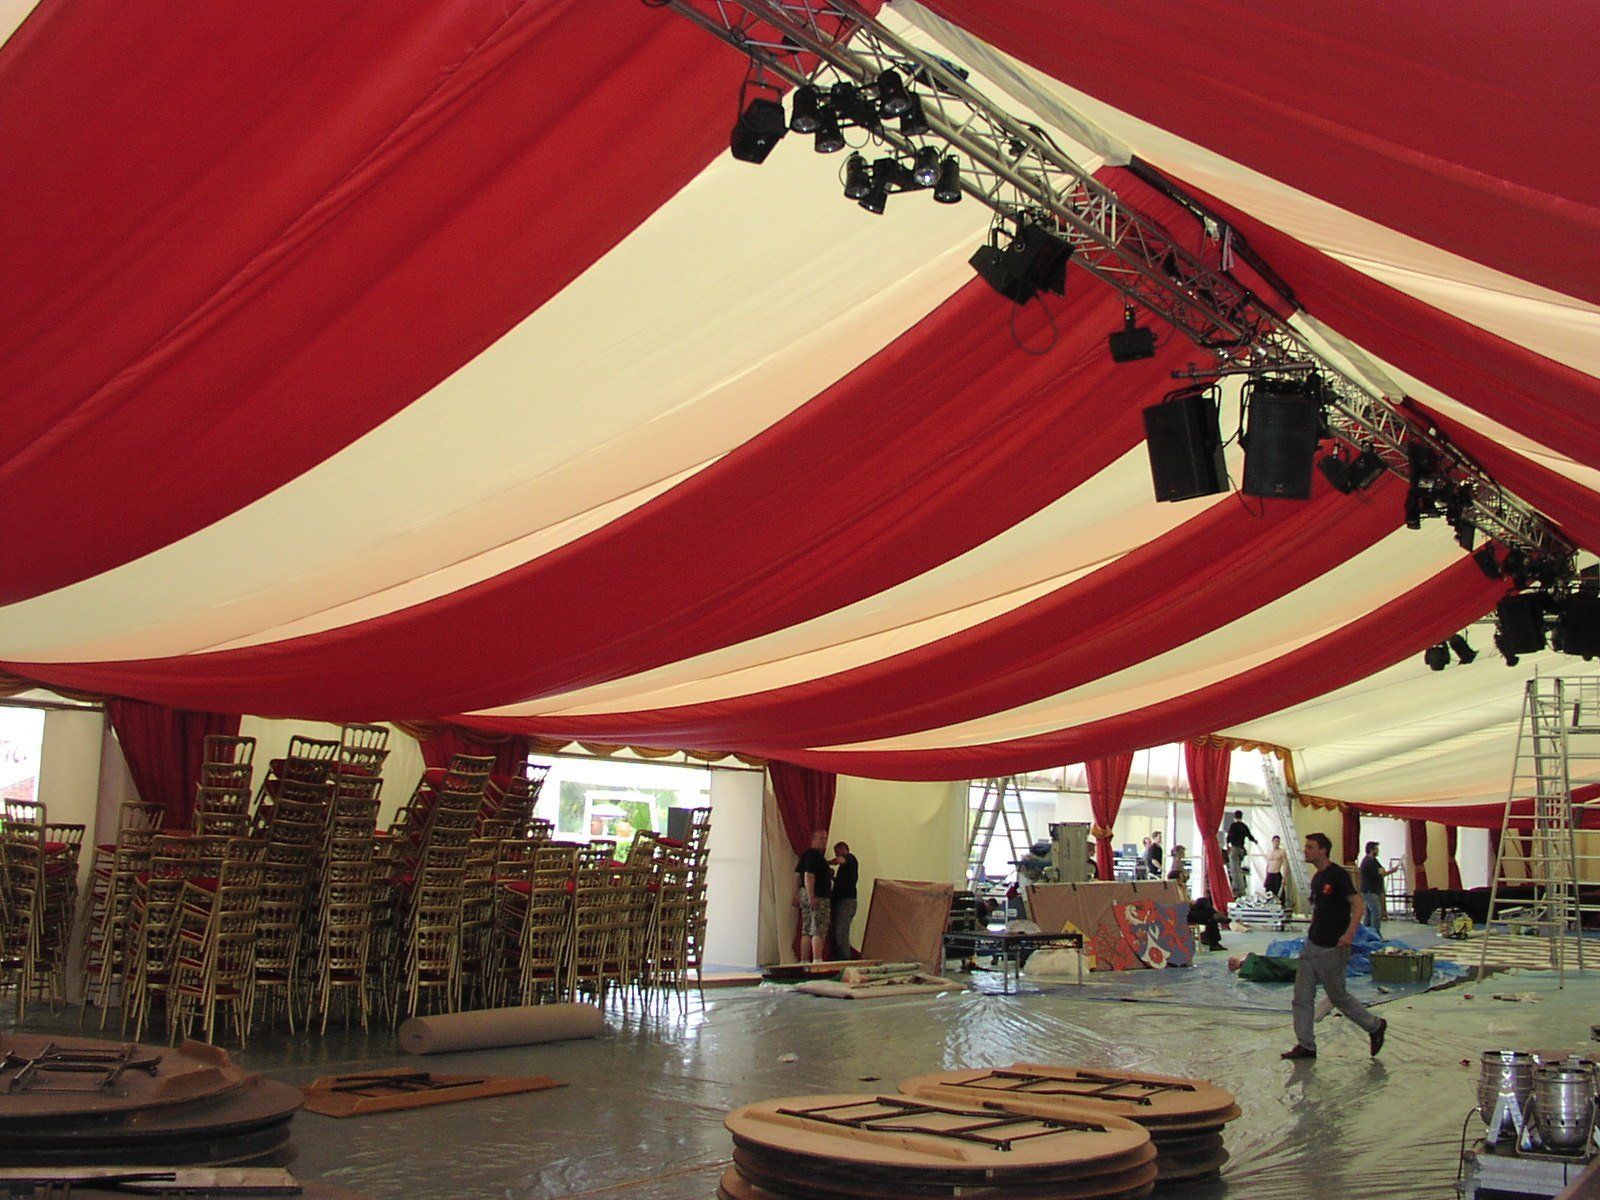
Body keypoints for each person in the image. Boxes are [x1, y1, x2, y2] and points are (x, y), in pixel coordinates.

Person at [1282, 832, 1386, 1060]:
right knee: (1302, 996)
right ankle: (1306, 1045)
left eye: (1310, 847)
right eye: (1305, 846)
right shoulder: (1318, 878)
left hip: (1333, 947)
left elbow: (1358, 906)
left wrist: (1349, 935)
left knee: (1338, 996)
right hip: (1312, 944)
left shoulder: (1337, 875)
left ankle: (1374, 1026)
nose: (1305, 851)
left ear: (1323, 850)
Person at [1167, 844, 1224, 950]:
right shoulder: (1176, 888)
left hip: (1188, 908)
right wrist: (1190, 902)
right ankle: (1214, 920)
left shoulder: (1181, 887)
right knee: (1208, 913)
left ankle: (1213, 916)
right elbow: (1183, 903)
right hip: (1185, 912)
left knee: (1204, 902)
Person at [794, 829, 833, 963]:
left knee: (806, 928)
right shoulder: (814, 855)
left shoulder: (806, 855)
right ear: (813, 840)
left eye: (826, 838)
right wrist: (811, 896)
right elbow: (808, 875)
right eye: (821, 838)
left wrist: (796, 894)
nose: (824, 841)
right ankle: (817, 959)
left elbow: (797, 875)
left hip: (806, 893)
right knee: (818, 928)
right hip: (817, 895)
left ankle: (804, 960)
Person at [1358, 841, 1398, 936]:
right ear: (1372, 850)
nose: (1378, 850)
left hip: (1372, 890)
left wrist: (1385, 871)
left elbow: (1382, 870)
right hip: (1369, 890)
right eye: (1376, 849)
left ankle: (1366, 933)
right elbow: (1381, 873)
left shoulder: (1374, 860)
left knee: (1368, 914)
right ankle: (1376, 934)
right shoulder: (1369, 861)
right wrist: (1391, 871)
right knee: (1376, 912)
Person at [829, 841, 859, 960]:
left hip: (846, 902)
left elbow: (839, 860)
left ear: (843, 850)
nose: (836, 855)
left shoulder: (850, 859)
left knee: (841, 933)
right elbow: (842, 883)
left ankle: (845, 960)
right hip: (841, 901)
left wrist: (826, 862)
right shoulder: (845, 869)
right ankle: (839, 958)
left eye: (837, 853)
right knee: (838, 932)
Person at [1225, 811, 1257, 895]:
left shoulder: (1233, 826)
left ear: (1235, 817)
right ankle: (1241, 887)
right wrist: (1255, 841)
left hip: (1235, 849)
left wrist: (1227, 845)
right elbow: (1250, 836)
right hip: (1242, 850)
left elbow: (1229, 837)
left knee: (1234, 870)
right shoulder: (1244, 826)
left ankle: (1238, 890)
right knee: (1238, 869)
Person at [1263, 835, 1287, 900]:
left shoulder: (1281, 852)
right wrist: (1266, 876)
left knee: (1278, 893)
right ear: (1272, 842)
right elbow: (1268, 865)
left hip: (1277, 874)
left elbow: (1285, 865)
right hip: (1269, 874)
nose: (1277, 843)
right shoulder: (1269, 851)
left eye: (1278, 841)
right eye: (1276, 841)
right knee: (1268, 893)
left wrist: (1284, 878)